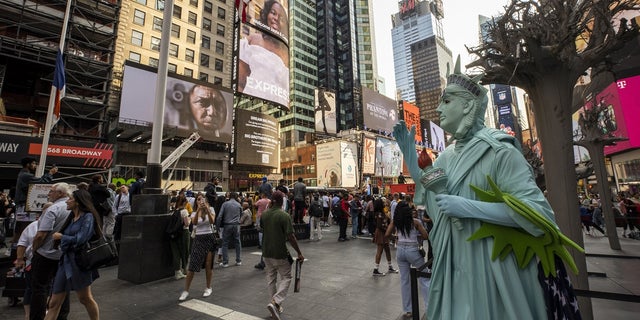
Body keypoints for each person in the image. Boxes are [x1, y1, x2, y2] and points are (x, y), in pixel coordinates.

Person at [392, 57, 581, 319]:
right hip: (454, 271)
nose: (438, 108)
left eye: (446, 101)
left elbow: (539, 217)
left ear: (468, 105)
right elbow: (438, 209)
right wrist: (411, 159)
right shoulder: (446, 157)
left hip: (495, 270)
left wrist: (469, 207)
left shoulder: (500, 151)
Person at [45, 189, 101, 320]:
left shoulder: (88, 217)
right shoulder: (71, 218)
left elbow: (81, 239)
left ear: (78, 201)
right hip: (65, 262)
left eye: (70, 198)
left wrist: (62, 237)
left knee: (85, 298)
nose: (67, 201)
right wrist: (64, 240)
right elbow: (69, 242)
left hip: (79, 263)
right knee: (53, 303)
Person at [30, 183, 71, 320]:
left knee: (39, 288)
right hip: (63, 254)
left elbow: (41, 235)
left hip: (46, 254)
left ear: (60, 193)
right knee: (63, 288)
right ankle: (62, 316)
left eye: (52, 191)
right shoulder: (73, 208)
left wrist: (35, 249)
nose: (49, 194)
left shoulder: (53, 208)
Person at [260, 190, 303, 320]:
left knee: (271, 278)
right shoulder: (284, 216)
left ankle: (275, 306)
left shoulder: (264, 215)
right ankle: (275, 302)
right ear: (282, 202)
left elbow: (262, 228)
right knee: (286, 277)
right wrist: (299, 252)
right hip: (280, 252)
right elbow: (291, 236)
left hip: (266, 252)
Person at [238, 0, 289, 107]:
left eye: (282, 18)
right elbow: (240, 82)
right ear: (266, 15)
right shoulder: (253, 39)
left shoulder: (287, 54)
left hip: (277, 108)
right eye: (273, 13)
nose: (276, 18)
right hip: (250, 103)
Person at [385, 201, 430, 319]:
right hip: (413, 251)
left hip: (400, 251)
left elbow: (387, 234)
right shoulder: (415, 222)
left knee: (405, 280)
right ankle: (429, 307)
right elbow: (425, 236)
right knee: (425, 277)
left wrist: (396, 237)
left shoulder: (396, 222)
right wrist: (417, 235)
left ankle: (407, 310)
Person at [15, 203, 50, 320]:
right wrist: (20, 259)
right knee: (39, 288)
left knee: (33, 288)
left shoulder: (33, 225)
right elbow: (22, 244)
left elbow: (21, 244)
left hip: (34, 262)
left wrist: (20, 259)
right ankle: (32, 314)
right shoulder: (35, 226)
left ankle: (30, 314)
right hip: (36, 262)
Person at [179, 195, 217, 301]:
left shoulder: (211, 209)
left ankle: (208, 287)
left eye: (202, 199)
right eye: (198, 199)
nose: (200, 201)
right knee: (192, 265)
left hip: (209, 237)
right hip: (198, 239)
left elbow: (212, 221)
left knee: (209, 265)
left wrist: (207, 210)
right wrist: (200, 209)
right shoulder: (194, 212)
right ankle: (186, 290)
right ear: (196, 202)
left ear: (206, 201)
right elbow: (194, 223)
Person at [372, 197, 398, 276]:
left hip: (383, 232)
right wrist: (388, 232)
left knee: (387, 250)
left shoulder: (382, 212)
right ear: (380, 204)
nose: (385, 203)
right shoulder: (379, 214)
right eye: (383, 202)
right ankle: (376, 269)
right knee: (380, 251)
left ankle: (390, 266)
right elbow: (380, 226)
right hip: (381, 233)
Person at [216, 192, 243, 267]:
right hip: (236, 225)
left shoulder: (225, 204)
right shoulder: (238, 205)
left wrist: (217, 226)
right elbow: (241, 213)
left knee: (225, 243)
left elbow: (219, 216)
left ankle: (225, 262)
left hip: (227, 225)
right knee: (237, 242)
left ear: (229, 196)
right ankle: (238, 260)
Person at [169, 195, 190, 280]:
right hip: (183, 233)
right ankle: (185, 269)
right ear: (184, 202)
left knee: (176, 252)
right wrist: (190, 220)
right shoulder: (184, 211)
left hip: (174, 234)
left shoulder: (174, 211)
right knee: (185, 251)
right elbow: (186, 224)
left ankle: (177, 272)